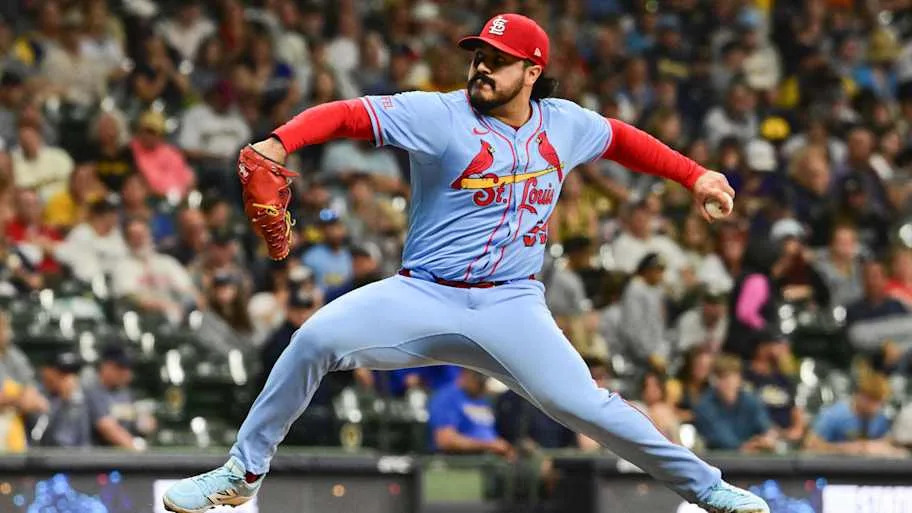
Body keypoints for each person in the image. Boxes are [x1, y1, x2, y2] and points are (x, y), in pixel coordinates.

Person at [164, 14, 768, 513]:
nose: (482, 65)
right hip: (424, 293)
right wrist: (277, 143)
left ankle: (707, 488)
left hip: (512, 303)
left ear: (532, 71)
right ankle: (242, 474)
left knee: (586, 405)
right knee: (314, 338)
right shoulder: (438, 115)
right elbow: (349, 113)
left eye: (499, 58)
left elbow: (623, 140)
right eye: (479, 54)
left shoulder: (565, 124)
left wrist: (696, 175)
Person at [34, 352, 137, 450]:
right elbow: (39, 439)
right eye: (62, 373)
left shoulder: (82, 396)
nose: (69, 378)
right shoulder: (35, 396)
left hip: (80, 461)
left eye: (73, 373)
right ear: (45, 371)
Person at [804, 372, 906, 457]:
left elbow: (888, 441)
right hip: (837, 471)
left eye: (880, 402)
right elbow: (811, 445)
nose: (876, 407)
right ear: (860, 395)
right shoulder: (834, 415)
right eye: (872, 400)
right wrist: (850, 448)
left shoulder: (881, 418)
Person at [693, 355, 778, 453]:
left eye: (733, 377)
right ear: (714, 380)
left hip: (753, 458)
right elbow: (721, 439)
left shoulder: (750, 400)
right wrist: (745, 447)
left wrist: (768, 438)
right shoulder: (704, 405)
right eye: (724, 378)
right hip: (719, 461)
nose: (729, 383)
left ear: (739, 379)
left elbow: (766, 426)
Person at [428, 369, 514, 459]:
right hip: (459, 461)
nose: (483, 386)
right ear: (466, 374)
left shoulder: (482, 399)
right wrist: (489, 445)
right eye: (480, 381)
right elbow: (445, 440)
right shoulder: (447, 397)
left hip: (488, 458)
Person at [85, 345, 155, 446]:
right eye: (120, 367)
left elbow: (144, 423)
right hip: (97, 457)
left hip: (122, 455)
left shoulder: (125, 393)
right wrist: (136, 448)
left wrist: (144, 423)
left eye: (128, 368)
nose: (126, 373)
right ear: (105, 366)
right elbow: (107, 428)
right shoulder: (92, 390)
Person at [0, 311, 48, 452]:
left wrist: (23, 398)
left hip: (14, 431)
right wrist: (18, 399)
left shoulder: (13, 355)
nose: (6, 333)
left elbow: (32, 393)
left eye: (5, 328)